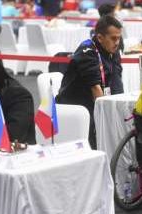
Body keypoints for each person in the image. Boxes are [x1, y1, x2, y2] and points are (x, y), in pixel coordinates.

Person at [56, 16, 123, 149]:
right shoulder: (87, 52)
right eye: (113, 38)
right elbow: (96, 89)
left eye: (119, 38)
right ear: (99, 38)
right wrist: (108, 118)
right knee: (107, 125)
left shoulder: (113, 51)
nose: (117, 43)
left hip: (93, 103)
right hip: (76, 106)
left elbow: (117, 83)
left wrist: (120, 110)